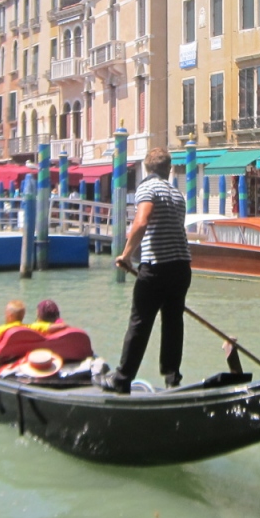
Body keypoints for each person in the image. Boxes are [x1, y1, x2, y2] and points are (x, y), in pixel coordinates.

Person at [105, 147, 192, 393]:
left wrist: (126, 255)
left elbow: (142, 221)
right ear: (169, 169)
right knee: (173, 323)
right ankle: (172, 379)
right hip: (182, 266)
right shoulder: (177, 194)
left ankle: (121, 379)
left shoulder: (147, 188)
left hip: (157, 267)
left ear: (146, 168)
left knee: (140, 323)